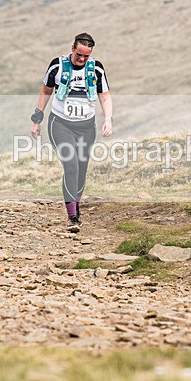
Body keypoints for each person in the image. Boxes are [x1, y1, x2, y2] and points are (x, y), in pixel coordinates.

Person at [30, 32, 112, 232]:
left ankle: (76, 205)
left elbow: (105, 95)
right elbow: (45, 91)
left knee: (82, 169)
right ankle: (72, 217)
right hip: (60, 124)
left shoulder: (96, 69)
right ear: (72, 49)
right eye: (78, 55)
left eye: (86, 56)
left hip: (86, 126)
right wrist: (37, 119)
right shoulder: (58, 66)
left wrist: (108, 118)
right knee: (71, 165)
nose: (82, 59)